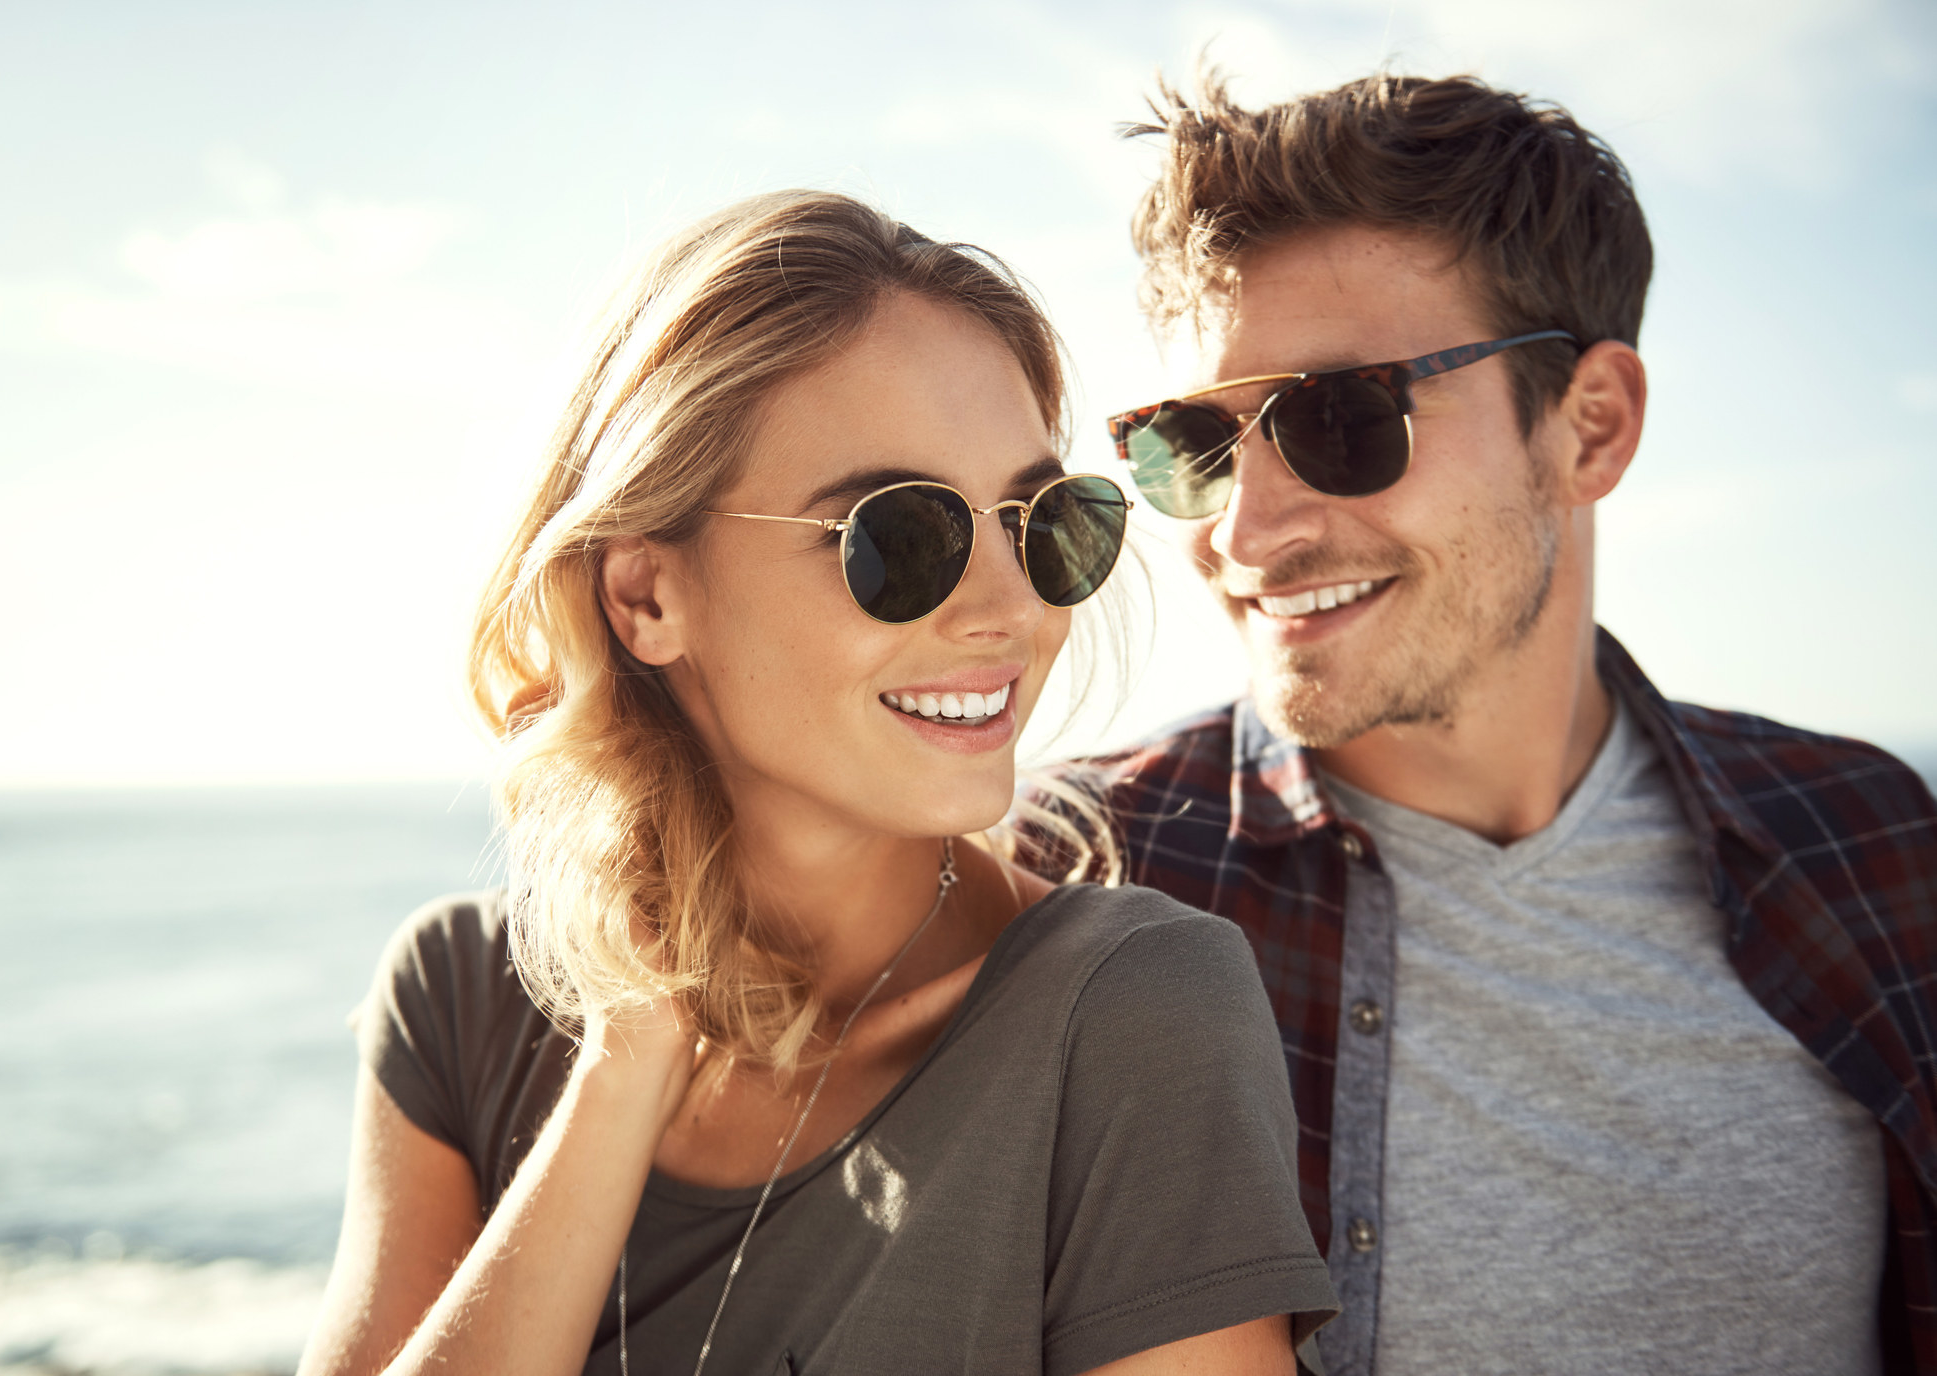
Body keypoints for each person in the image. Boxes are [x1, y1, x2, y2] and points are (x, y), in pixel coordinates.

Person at [297, 190, 1337, 1376]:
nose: (1010, 608)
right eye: (901, 535)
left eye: (1040, 521)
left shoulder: (1132, 1012)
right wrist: (627, 1052)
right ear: (644, 595)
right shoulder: (461, 999)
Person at [1063, 67, 1937, 1375]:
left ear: (1592, 427)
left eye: (1341, 417)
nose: (1246, 533)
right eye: (1193, 444)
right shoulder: (1081, 887)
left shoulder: (1872, 843)